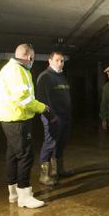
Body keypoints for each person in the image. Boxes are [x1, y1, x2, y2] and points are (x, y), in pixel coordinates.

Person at [0, 43, 49, 209]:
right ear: (29, 56)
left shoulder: (8, 69)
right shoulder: (18, 71)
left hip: (9, 119)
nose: (32, 61)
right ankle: (24, 195)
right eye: (32, 58)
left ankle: (13, 193)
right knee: (26, 156)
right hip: (18, 119)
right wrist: (42, 107)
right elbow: (23, 99)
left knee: (12, 155)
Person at [36, 51, 73, 186]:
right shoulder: (45, 77)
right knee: (49, 144)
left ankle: (58, 170)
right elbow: (42, 99)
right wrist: (51, 117)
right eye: (57, 60)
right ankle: (44, 176)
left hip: (65, 117)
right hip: (53, 118)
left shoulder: (61, 76)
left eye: (62, 61)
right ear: (50, 61)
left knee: (61, 144)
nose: (60, 63)